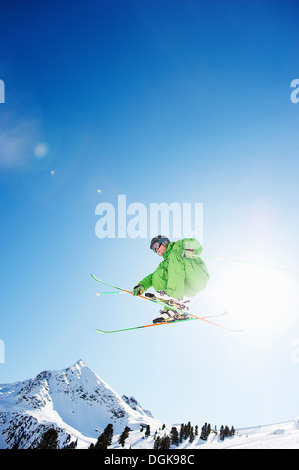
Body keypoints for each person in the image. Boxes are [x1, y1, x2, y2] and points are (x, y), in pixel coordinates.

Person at [133, 235, 209, 323]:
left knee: (175, 255)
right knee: (158, 274)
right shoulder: (165, 263)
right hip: (186, 287)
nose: (156, 250)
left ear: (164, 242)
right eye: (154, 250)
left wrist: (192, 251)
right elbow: (151, 277)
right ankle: (173, 309)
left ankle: (173, 295)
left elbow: (196, 244)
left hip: (197, 277)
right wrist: (142, 285)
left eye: (156, 246)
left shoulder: (178, 246)